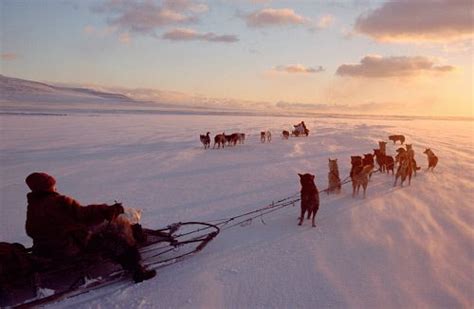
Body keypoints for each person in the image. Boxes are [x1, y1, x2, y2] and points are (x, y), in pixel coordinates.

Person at [24, 172, 156, 283]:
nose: (55, 188)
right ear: (46, 187)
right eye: (53, 185)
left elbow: (31, 230)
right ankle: (137, 270)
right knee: (116, 235)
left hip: (46, 248)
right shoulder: (59, 201)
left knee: (98, 230)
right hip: (68, 247)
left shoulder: (33, 206)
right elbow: (84, 214)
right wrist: (108, 210)